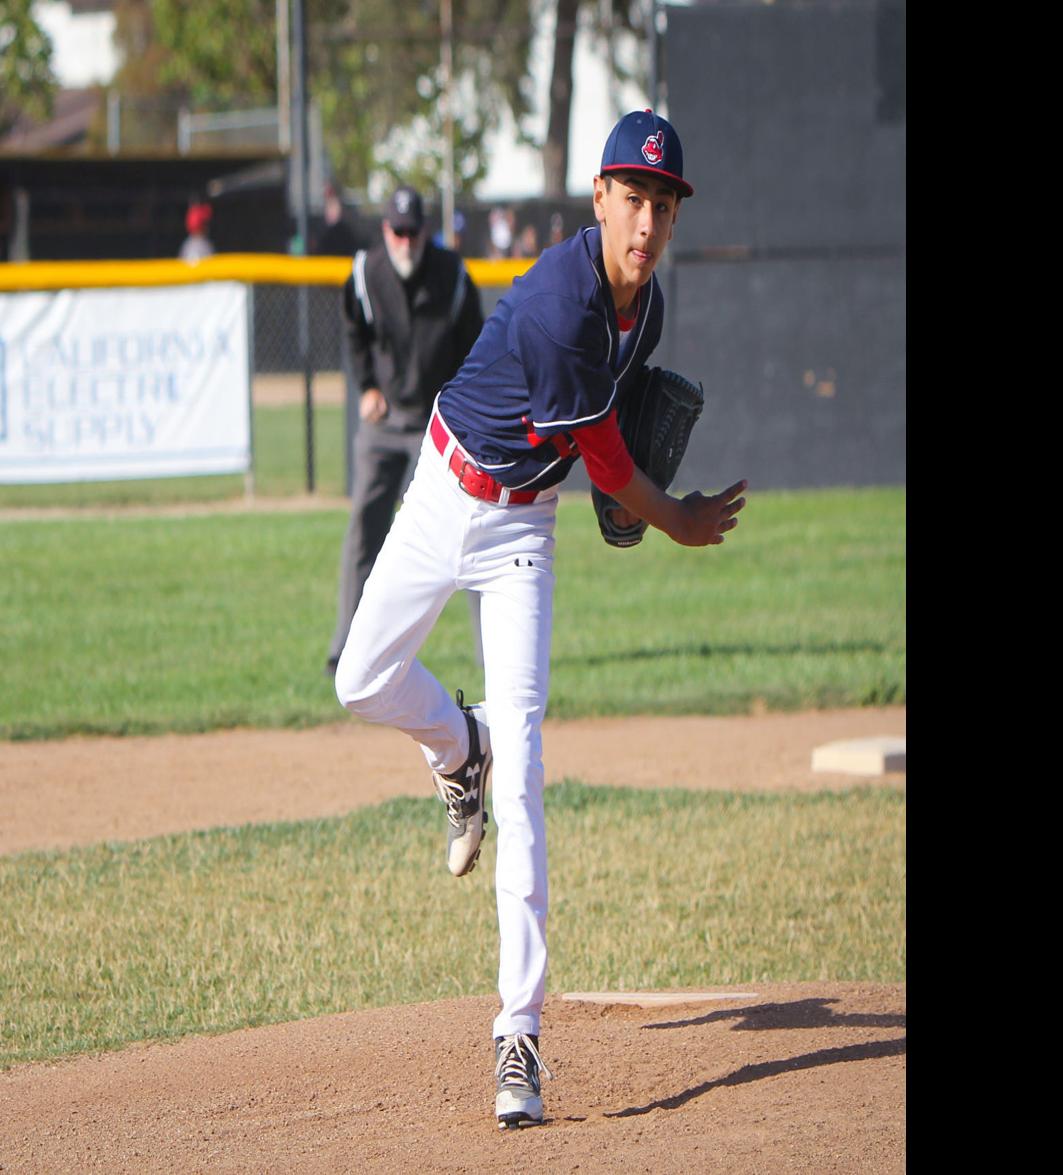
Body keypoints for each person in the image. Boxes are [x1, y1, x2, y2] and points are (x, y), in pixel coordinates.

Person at [333, 110, 747, 1129]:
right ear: (598, 199)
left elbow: (590, 459)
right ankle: (452, 742)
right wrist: (675, 518)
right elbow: (606, 460)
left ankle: (516, 1033)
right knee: (360, 680)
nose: (646, 220)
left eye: (663, 203)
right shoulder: (564, 298)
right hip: (443, 488)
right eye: (631, 197)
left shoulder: (644, 310)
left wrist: (621, 488)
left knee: (522, 771)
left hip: (524, 533)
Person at [324, 185, 484, 675]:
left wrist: (462, 408)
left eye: (415, 231)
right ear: (385, 231)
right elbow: (354, 330)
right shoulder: (366, 272)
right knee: (364, 530)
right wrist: (367, 385)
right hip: (387, 422)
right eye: (398, 231)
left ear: (426, 232)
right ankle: (346, 649)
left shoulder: (453, 276)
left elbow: (476, 347)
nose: (406, 240)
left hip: (439, 428)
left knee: (474, 534)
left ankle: (496, 657)